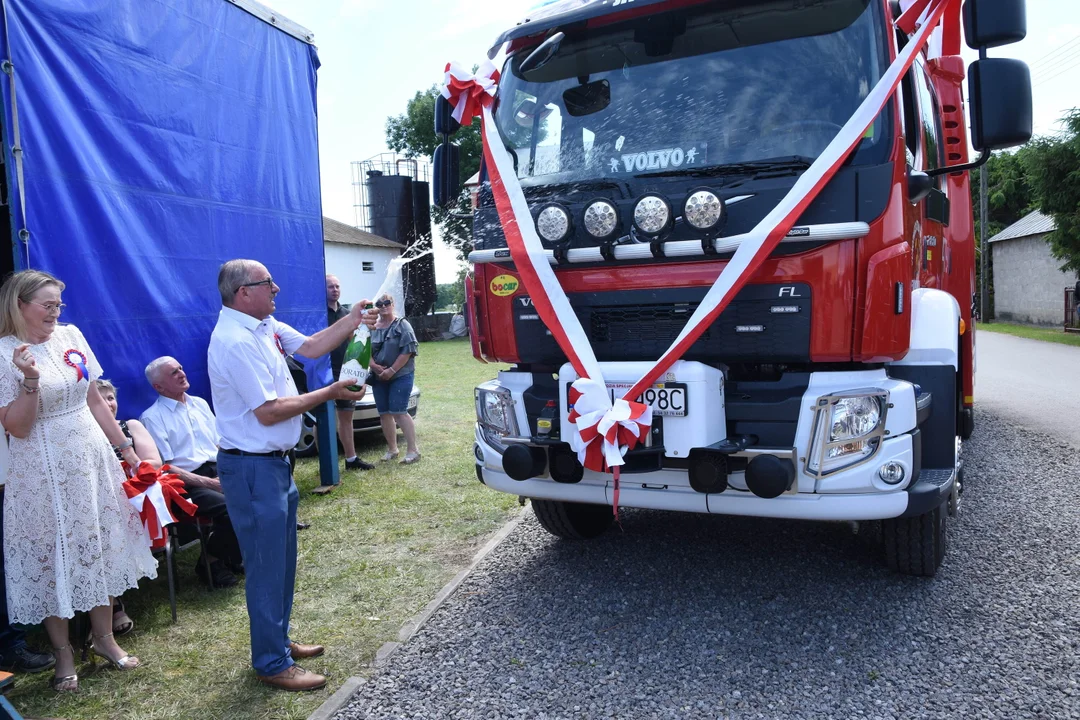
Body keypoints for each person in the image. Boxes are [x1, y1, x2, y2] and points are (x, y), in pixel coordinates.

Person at [207, 259, 373, 692]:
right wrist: (332, 392)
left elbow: (314, 346)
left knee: (279, 563)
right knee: (264, 567)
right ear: (244, 292)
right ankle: (271, 662)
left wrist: (354, 319)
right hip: (251, 467)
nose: (276, 288)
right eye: (268, 284)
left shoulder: (264, 326)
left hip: (272, 464)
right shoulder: (234, 341)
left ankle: (277, 641)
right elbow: (269, 412)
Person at [0, 270, 156, 693]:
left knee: (98, 541)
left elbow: (91, 397)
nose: (55, 313)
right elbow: (17, 427)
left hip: (89, 456)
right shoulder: (4, 352)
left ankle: (104, 640)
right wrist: (30, 381)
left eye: (58, 305)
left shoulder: (71, 336)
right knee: (54, 552)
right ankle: (63, 652)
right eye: (47, 305)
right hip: (42, 465)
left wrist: (124, 448)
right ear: (20, 305)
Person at [137, 358, 242, 586]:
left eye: (181, 368)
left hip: (217, 469)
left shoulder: (200, 404)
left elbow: (219, 444)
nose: (181, 373)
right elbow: (165, 467)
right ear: (158, 387)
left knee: (257, 492)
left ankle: (234, 556)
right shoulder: (152, 417)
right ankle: (209, 562)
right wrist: (211, 483)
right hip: (183, 483)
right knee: (231, 508)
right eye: (173, 373)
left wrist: (230, 471)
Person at [326, 275, 374, 472]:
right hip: (323, 371)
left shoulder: (348, 315)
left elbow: (356, 343)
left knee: (346, 417)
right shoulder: (318, 313)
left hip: (345, 371)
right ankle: (327, 463)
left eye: (337, 286)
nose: (335, 289)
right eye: (330, 287)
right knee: (324, 418)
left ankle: (351, 459)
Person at [368, 292, 421, 464]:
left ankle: (413, 450)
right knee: (384, 413)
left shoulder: (402, 324)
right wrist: (374, 367)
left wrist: (391, 370)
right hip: (379, 376)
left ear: (392, 303)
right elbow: (364, 349)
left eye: (386, 303)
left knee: (399, 411)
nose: (383, 306)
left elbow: (408, 350)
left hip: (401, 375)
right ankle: (392, 449)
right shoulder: (372, 327)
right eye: (379, 303)